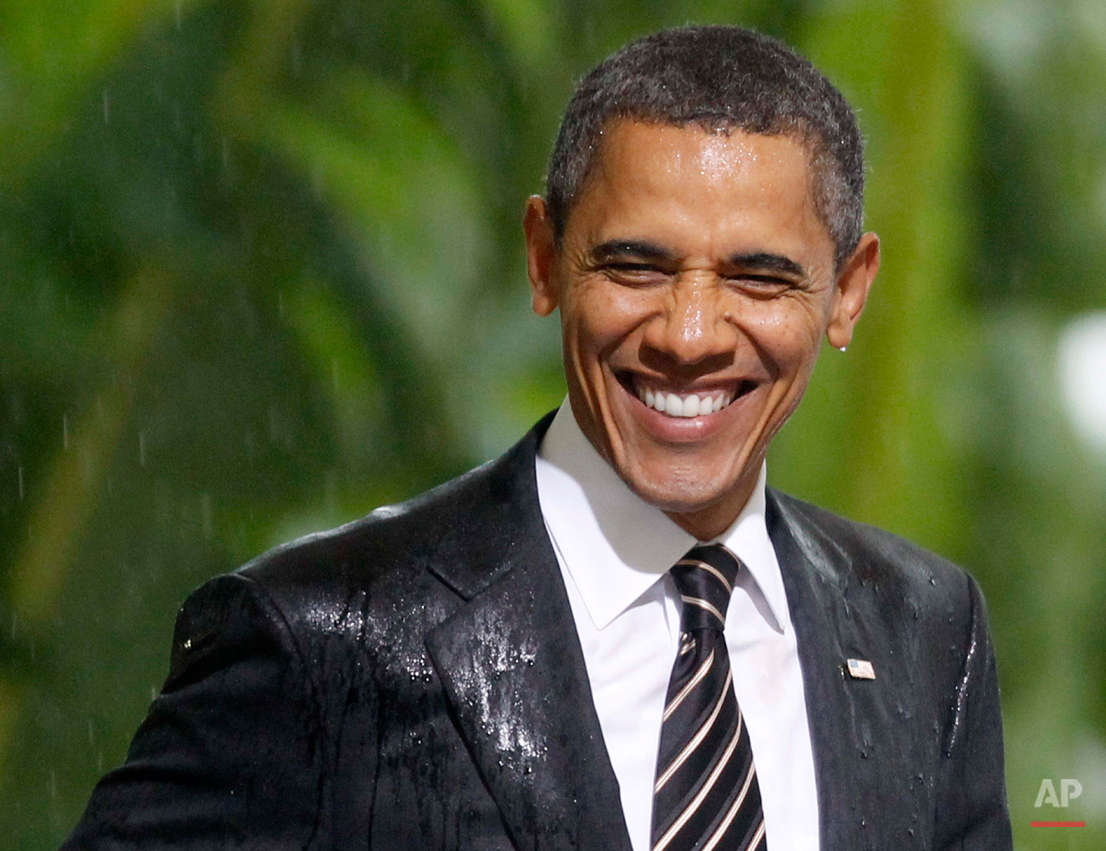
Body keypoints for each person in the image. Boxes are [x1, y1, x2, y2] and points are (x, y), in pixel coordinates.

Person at [63, 25, 1013, 851]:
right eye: (635, 265)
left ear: (848, 292)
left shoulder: (927, 631)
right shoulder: (322, 641)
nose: (689, 333)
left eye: (758, 279)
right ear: (545, 257)